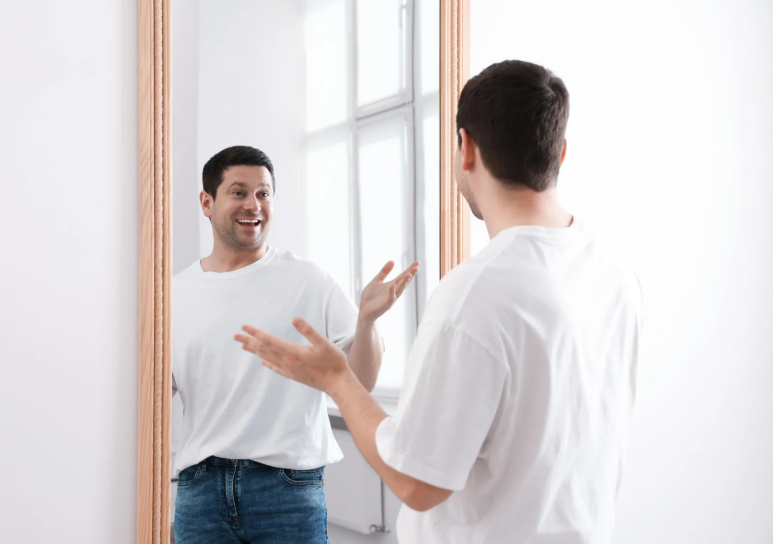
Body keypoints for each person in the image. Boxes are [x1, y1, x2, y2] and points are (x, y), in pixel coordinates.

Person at [235, 61, 643, 543]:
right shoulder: (612, 272)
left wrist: (336, 379)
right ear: (561, 151)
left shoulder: (478, 291)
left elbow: (417, 481)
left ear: (465, 148)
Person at [172, 145, 419, 544]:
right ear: (207, 201)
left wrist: (367, 320)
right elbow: (152, 395)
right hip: (200, 489)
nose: (253, 204)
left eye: (264, 193)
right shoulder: (174, 294)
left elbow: (361, 379)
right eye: (238, 192)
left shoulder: (309, 280)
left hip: (286, 491)